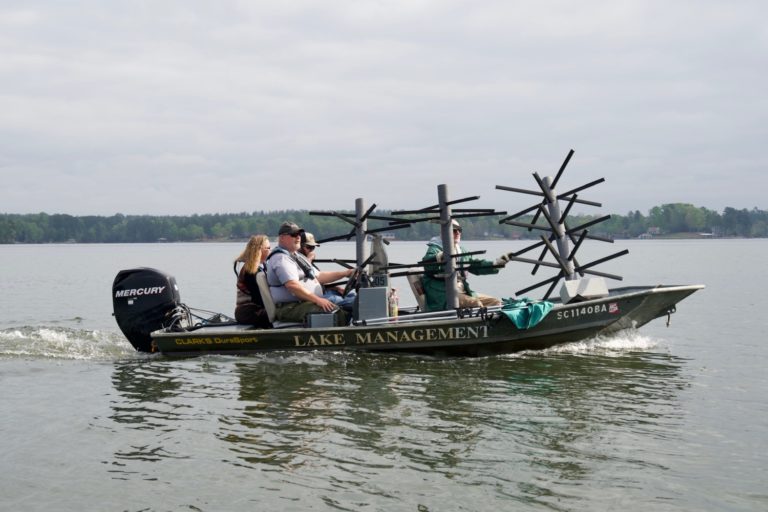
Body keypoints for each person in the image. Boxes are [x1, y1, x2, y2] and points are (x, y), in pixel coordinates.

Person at [266, 221, 355, 324]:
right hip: (290, 307)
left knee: (351, 300)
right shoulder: (281, 259)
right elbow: (292, 286)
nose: (298, 237)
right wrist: (318, 300)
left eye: (299, 234)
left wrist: (346, 273)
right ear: (282, 238)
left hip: (303, 302)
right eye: (293, 235)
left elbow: (319, 276)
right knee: (336, 312)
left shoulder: (295, 256)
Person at [421, 219, 509, 312]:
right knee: (475, 304)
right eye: (454, 230)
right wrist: (440, 257)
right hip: (443, 295)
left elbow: (475, 265)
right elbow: (428, 265)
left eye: (459, 230)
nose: (458, 232)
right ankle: (477, 325)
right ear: (444, 232)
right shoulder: (435, 248)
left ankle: (493, 325)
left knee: (495, 302)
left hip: (463, 291)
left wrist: (495, 265)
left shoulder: (461, 251)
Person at [297, 232, 357, 312]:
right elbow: (304, 273)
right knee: (354, 302)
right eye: (308, 247)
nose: (311, 250)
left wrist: (335, 288)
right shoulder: (297, 260)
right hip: (316, 297)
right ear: (299, 246)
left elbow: (317, 279)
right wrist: (310, 258)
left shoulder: (305, 261)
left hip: (325, 292)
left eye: (313, 248)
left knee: (353, 295)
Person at [233, 234, 272, 328]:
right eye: (268, 248)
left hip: (256, 309)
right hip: (248, 312)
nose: (271, 251)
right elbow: (258, 297)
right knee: (281, 315)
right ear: (259, 250)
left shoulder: (263, 267)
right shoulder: (250, 271)